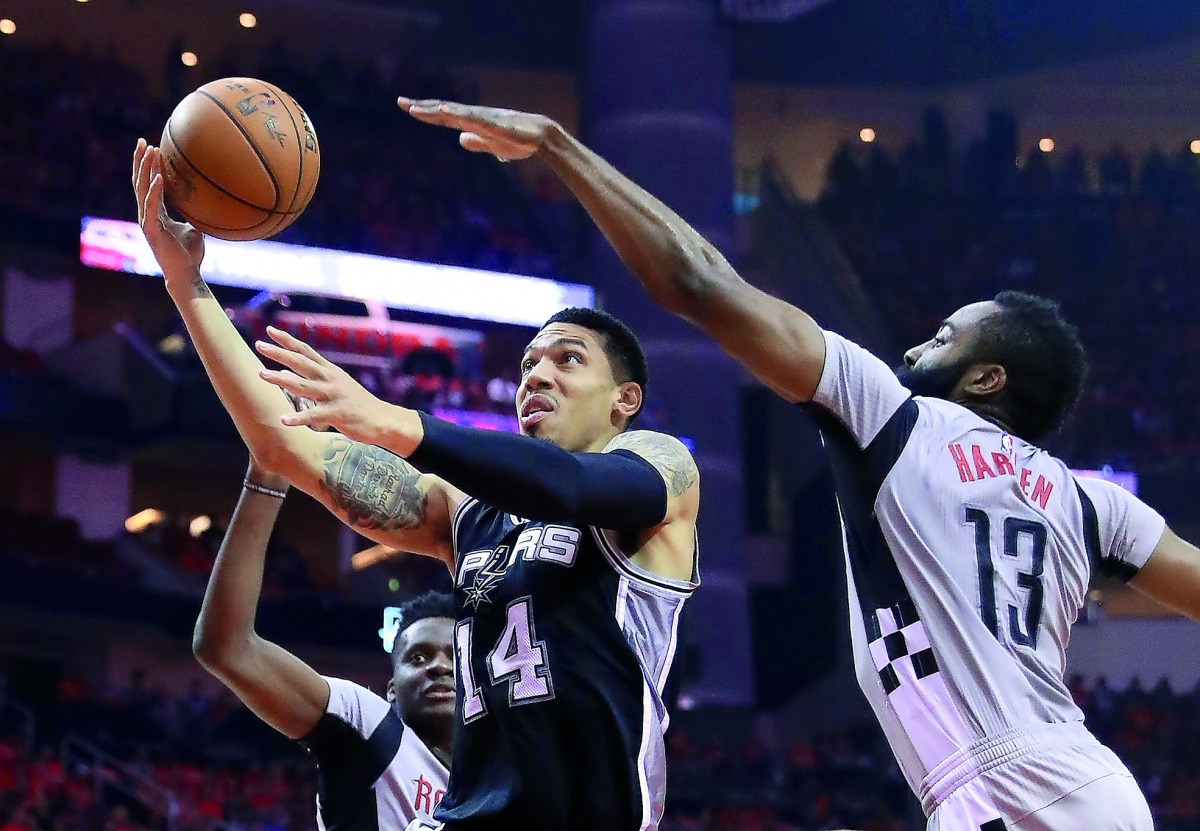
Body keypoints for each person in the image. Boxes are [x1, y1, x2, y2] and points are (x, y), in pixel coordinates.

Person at [398, 98, 1200, 831]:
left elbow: (697, 280)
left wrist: (559, 146)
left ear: (988, 378)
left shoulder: (893, 413)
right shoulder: (1093, 502)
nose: (918, 343)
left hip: (1006, 784)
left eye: (947, 337)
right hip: (1084, 779)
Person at [132, 138, 700, 831]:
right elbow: (285, 443)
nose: (536, 374)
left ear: (624, 399)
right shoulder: (466, 517)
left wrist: (398, 423)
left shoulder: (661, 468)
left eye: (567, 358)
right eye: (527, 362)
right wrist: (186, 285)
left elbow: (575, 490)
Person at [191, 456, 454, 828]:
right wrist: (267, 474)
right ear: (391, 689)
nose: (440, 666)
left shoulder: (505, 781)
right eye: (419, 657)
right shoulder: (370, 724)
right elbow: (227, 648)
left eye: (455, 656)